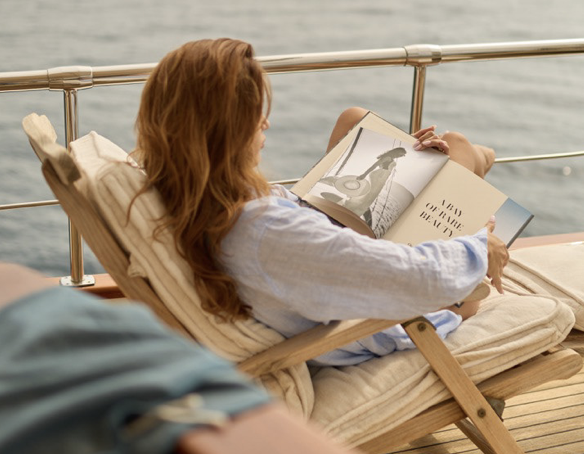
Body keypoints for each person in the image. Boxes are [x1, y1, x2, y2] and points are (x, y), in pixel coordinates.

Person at [133, 38, 509, 366]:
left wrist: (401, 169)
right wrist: (479, 243)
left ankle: (473, 157)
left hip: (329, 273)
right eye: (253, 116)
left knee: (368, 125)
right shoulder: (264, 231)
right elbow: (417, 277)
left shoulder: (188, 196)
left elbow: (310, 248)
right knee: (462, 151)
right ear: (225, 132)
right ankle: (479, 158)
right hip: (388, 319)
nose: (265, 124)